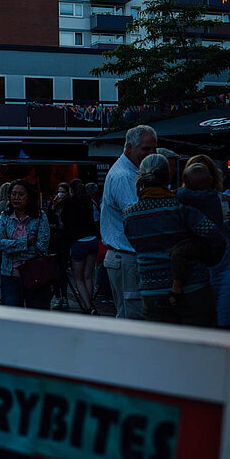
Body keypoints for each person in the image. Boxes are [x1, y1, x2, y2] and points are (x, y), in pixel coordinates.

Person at [123, 154, 224, 327]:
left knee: (162, 343)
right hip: (193, 289)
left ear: (141, 177)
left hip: (152, 292)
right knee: (200, 342)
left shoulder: (129, 216)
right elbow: (215, 235)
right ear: (168, 176)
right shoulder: (181, 208)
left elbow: (136, 246)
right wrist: (207, 257)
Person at [178, 155, 230, 327]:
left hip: (225, 265)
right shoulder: (183, 202)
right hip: (198, 265)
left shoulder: (225, 201)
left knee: (225, 316)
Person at [101, 124, 157, 319]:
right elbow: (138, 217)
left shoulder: (130, 171)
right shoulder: (124, 176)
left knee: (131, 316)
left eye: (154, 148)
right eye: (146, 148)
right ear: (129, 147)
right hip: (126, 257)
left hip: (126, 257)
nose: (151, 153)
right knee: (133, 319)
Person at [168, 164, 226, 305]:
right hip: (213, 245)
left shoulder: (196, 197)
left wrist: (175, 191)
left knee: (178, 253)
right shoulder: (212, 195)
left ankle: (176, 288)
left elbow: (181, 194)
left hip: (208, 244)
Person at [0, 179, 50, 309]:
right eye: (13, 194)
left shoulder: (39, 216)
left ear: (28, 197)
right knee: (11, 313)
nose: (16, 198)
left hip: (35, 273)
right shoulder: (4, 216)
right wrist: (26, 242)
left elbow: (42, 245)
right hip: (10, 274)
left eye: (20, 194)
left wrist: (11, 248)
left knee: (36, 313)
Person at [61, 179, 99, 314]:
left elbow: (64, 222)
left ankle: (88, 306)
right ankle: (91, 303)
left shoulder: (68, 202)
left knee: (78, 278)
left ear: (71, 190)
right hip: (92, 239)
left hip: (78, 241)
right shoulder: (88, 201)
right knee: (88, 276)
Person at [47, 182, 70, 309]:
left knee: (62, 270)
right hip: (54, 241)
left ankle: (64, 296)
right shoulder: (53, 204)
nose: (61, 194)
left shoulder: (69, 205)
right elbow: (48, 219)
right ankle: (57, 296)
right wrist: (53, 206)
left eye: (63, 192)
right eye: (59, 191)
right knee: (54, 270)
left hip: (64, 241)